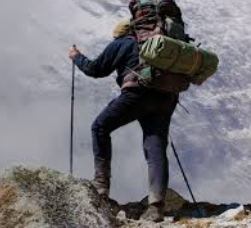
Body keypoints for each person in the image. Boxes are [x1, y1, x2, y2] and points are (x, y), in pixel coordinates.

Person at [68, 19, 178, 223]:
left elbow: (95, 69)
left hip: (136, 94)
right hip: (166, 97)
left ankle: (101, 189)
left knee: (100, 127)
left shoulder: (121, 43)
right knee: (155, 146)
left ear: (120, 34)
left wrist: (77, 57)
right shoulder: (159, 44)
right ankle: (156, 207)